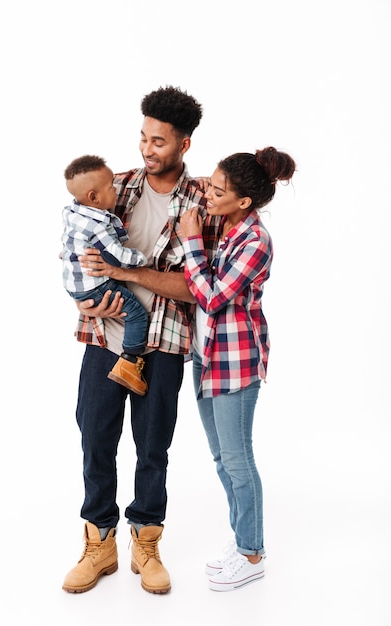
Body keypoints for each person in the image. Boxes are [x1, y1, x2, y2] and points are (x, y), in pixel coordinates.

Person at [62, 86, 211, 595]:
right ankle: (99, 542)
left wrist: (135, 272)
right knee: (95, 441)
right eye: (144, 138)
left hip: (163, 346)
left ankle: (146, 543)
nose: (148, 150)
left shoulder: (203, 202)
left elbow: (198, 288)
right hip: (104, 339)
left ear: (184, 145)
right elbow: (76, 254)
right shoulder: (112, 186)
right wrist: (83, 298)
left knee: (153, 449)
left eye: (160, 142)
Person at [180, 147, 296, 592]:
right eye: (210, 183)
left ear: (244, 201)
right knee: (219, 457)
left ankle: (252, 553)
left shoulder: (255, 241)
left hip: (235, 361)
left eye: (217, 189)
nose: (207, 192)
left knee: (238, 458)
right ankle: (241, 537)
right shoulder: (224, 221)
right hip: (205, 354)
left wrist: (191, 242)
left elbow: (211, 297)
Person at [61, 154, 149, 395]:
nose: (116, 190)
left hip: (74, 283)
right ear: (94, 197)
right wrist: (141, 258)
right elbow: (116, 256)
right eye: (111, 187)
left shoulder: (73, 211)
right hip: (94, 286)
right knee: (137, 314)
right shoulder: (98, 225)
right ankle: (130, 362)